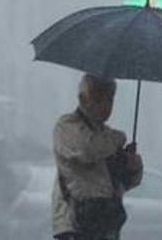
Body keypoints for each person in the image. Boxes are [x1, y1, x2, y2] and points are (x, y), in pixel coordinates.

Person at [51, 74, 144, 240]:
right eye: (99, 99)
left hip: (104, 223)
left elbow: (122, 182)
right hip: (75, 224)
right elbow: (87, 150)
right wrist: (118, 139)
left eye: (110, 99)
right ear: (84, 98)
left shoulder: (107, 135)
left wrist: (133, 168)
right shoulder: (67, 126)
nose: (106, 106)